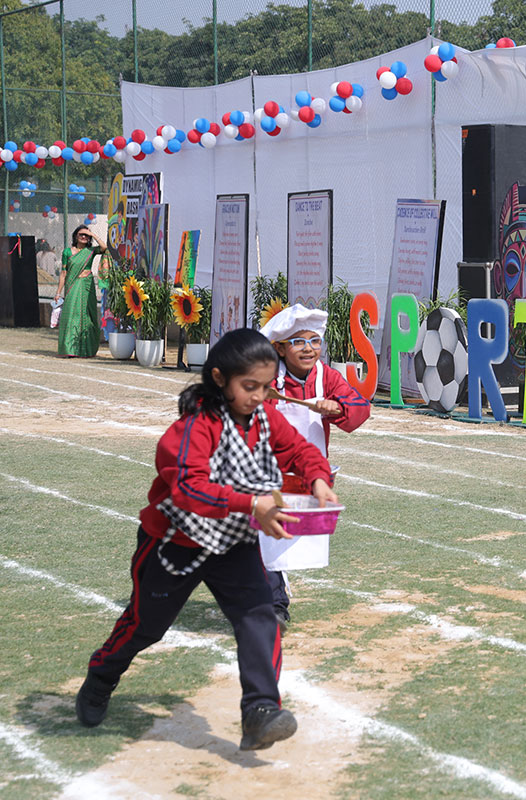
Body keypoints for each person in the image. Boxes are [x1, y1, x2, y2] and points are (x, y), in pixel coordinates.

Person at [75, 329, 336, 751]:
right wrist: (252, 504)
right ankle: (101, 677)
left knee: (260, 617)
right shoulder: (193, 428)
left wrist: (318, 478)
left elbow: (300, 451)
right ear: (219, 378)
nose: (260, 396)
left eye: (266, 387)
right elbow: (188, 491)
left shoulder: (265, 418)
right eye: (249, 386)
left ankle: (260, 710)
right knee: (145, 626)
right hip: (176, 544)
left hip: (233, 543)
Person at [259, 304, 370, 632]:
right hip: (266, 472)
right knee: (263, 535)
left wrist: (338, 408)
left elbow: (360, 409)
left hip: (309, 474)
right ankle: (275, 605)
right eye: (299, 342)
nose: (308, 349)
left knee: (291, 539)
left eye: (315, 341)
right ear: (281, 348)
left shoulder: (327, 377)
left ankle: (274, 589)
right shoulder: (268, 378)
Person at [54, 225, 106, 358]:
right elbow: (64, 273)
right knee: (71, 314)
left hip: (87, 285)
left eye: (86, 235)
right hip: (73, 285)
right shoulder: (67, 252)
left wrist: (93, 234)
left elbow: (104, 248)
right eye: (81, 234)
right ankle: (70, 348)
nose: (83, 237)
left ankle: (87, 349)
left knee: (88, 314)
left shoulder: (90, 251)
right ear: (75, 236)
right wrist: (58, 292)